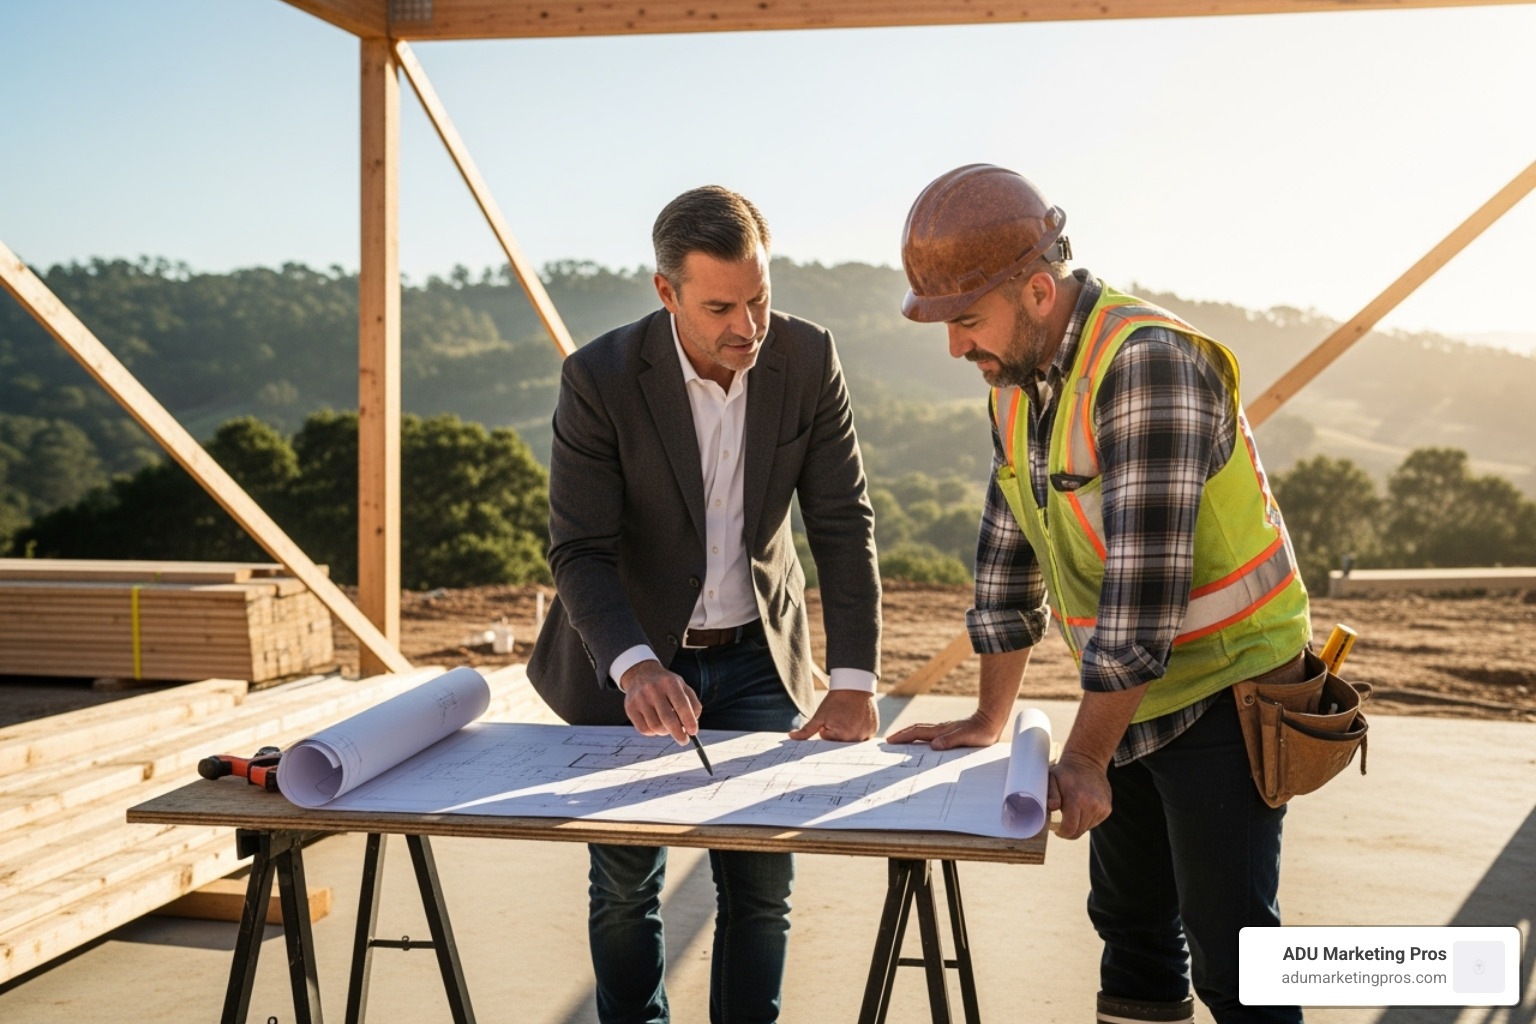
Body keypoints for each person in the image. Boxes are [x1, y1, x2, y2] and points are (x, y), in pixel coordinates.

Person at [886, 164, 1311, 1024]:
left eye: (966, 320)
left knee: (1234, 958)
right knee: (1132, 930)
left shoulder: (1148, 366)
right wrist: (988, 717)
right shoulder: (1017, 384)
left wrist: (1084, 756)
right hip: (1133, 699)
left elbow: (1143, 602)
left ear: (1038, 291)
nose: (955, 346)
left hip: (1229, 692)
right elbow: (1007, 564)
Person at [527, 185, 882, 1024]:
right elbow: (579, 549)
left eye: (759, 298)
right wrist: (635, 665)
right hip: (633, 662)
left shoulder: (807, 357)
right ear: (665, 292)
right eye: (721, 306)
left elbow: (842, 522)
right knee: (625, 887)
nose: (747, 327)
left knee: (761, 888)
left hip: (760, 655)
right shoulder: (599, 378)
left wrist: (856, 677)